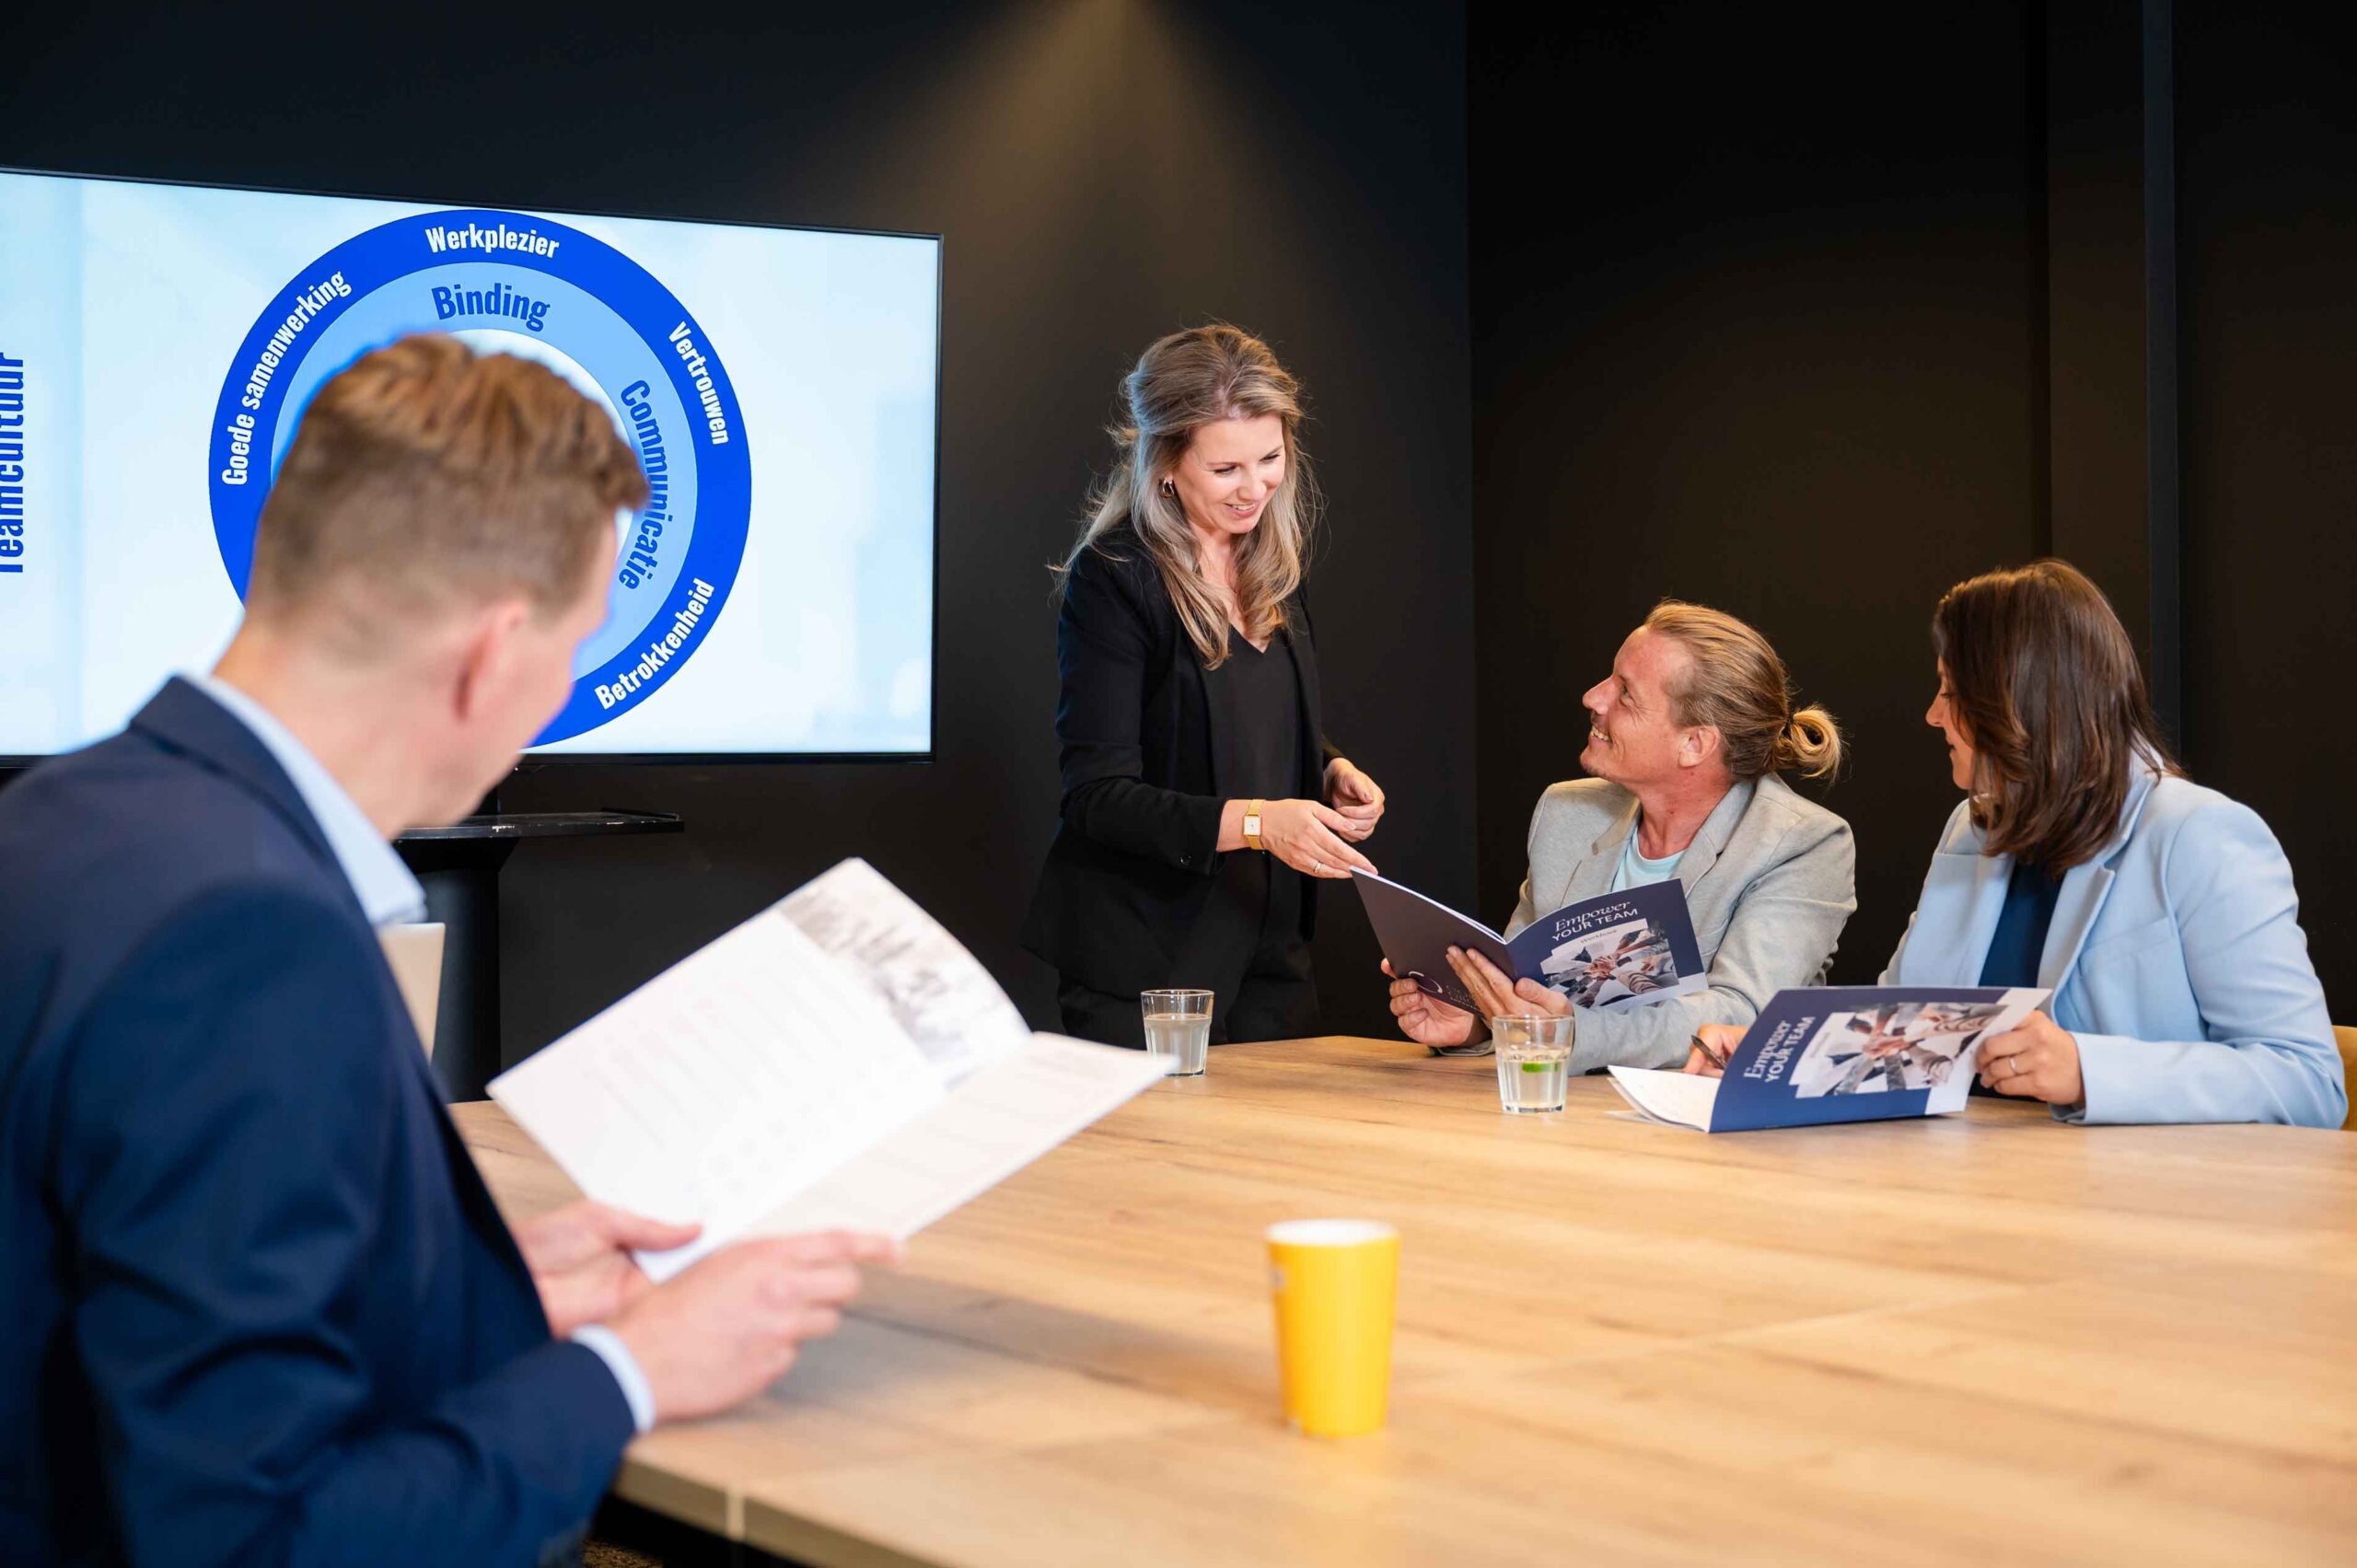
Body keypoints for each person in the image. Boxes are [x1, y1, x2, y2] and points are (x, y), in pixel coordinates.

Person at [0, 336, 899, 1567]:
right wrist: (628, 1369)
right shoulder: (252, 939)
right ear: (492, 651)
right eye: (576, 646)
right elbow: (249, 1539)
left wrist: (462, 1290)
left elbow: (112, 1294)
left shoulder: (58, 818)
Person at [1688, 559, 2346, 1128]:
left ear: (2018, 705)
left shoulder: (2200, 835)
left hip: (2141, 1212)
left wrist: (2088, 1070)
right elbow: (1899, 1034)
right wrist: (1771, 1058)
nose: (1932, 714)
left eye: (1950, 692)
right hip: (1970, 1187)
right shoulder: (1972, 826)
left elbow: (2310, 1081)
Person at [1022, 323, 1387, 1049]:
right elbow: (1098, 796)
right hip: (1150, 965)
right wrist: (1261, 823)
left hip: (1270, 955)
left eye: (1271, 458)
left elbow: (1238, 713)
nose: (1255, 488)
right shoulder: (1115, 578)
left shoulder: (1273, 565)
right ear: (1165, 464)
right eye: (1226, 469)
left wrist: (1327, 766)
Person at [1389, 601, 1855, 1071]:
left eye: (1626, 693)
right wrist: (1476, 1020)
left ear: (1694, 744)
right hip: (1561, 1105)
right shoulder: (1567, 813)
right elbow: (1523, 989)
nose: (1593, 697)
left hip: (1701, 1113)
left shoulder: (1804, 844)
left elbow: (1741, 1013)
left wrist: (1574, 1033)